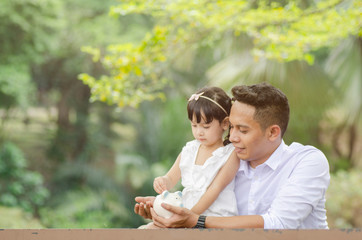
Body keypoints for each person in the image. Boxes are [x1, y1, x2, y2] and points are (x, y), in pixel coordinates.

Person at [134, 82, 330, 229]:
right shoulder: (227, 159)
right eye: (232, 127)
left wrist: (195, 220)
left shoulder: (307, 161)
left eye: (243, 131)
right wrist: (164, 210)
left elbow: (279, 223)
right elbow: (195, 200)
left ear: (272, 132)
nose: (233, 137)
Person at [139, 86, 240, 229]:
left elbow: (214, 190)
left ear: (224, 123)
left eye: (206, 127)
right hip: (184, 216)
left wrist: (189, 217)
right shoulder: (190, 150)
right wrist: (162, 181)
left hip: (212, 220)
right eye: (194, 125)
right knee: (145, 230)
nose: (199, 132)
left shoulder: (230, 154)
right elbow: (170, 178)